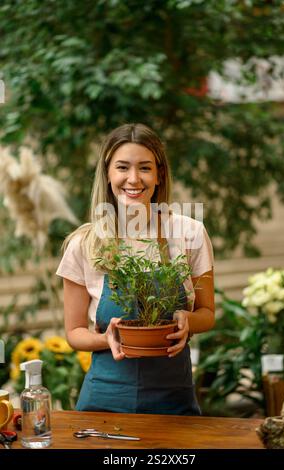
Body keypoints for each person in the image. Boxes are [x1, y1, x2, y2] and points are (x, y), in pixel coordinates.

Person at [56, 123, 215, 415]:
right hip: (103, 402)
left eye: (144, 168)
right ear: (107, 174)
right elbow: (74, 331)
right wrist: (105, 339)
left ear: (159, 174)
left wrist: (188, 320)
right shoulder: (84, 243)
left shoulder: (189, 233)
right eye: (122, 167)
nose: (133, 179)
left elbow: (208, 313)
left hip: (174, 402)